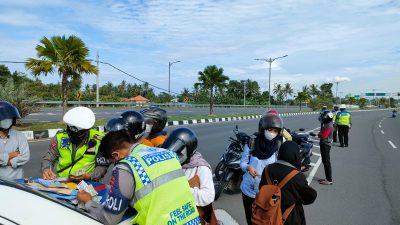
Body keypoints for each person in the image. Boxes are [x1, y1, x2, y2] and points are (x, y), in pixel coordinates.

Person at [77, 129, 200, 225]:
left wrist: (88, 201)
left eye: (113, 161)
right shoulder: (167, 153)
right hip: (192, 220)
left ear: (116, 155)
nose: (115, 164)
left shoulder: (126, 166)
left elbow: (110, 219)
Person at [162, 127, 217, 225]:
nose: (175, 157)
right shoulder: (170, 163)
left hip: (193, 217)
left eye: (178, 154)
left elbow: (208, 196)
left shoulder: (201, 168)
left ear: (189, 151)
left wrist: (180, 189)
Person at [41, 106, 107, 181]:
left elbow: (103, 166)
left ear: (86, 130)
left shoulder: (99, 140)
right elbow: (49, 158)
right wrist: (46, 169)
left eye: (77, 134)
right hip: (63, 182)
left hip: (89, 183)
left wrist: (89, 176)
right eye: (70, 132)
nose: (72, 136)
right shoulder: (59, 137)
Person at [259, 141, 317, 225]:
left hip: (268, 214)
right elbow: (310, 196)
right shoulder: (297, 176)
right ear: (296, 155)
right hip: (289, 218)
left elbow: (261, 189)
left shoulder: (267, 169)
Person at [240, 113, 284, 225]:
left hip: (266, 192)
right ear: (263, 129)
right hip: (248, 189)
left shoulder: (278, 146)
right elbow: (243, 162)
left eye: (275, 131)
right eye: (270, 129)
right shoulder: (252, 142)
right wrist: (248, 167)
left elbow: (280, 167)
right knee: (250, 219)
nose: (272, 133)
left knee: (264, 220)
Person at [0, 101, 30, 179]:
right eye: (3, 118)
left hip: (17, 182)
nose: (6, 120)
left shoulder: (19, 136)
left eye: (9, 117)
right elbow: (19, 156)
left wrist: (3, 161)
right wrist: (10, 155)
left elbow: (25, 156)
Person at [318, 110, 334, 185]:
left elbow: (324, 136)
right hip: (325, 144)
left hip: (325, 145)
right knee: (325, 162)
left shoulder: (328, 126)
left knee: (326, 162)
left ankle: (329, 179)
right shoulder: (327, 124)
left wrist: (319, 135)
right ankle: (327, 178)